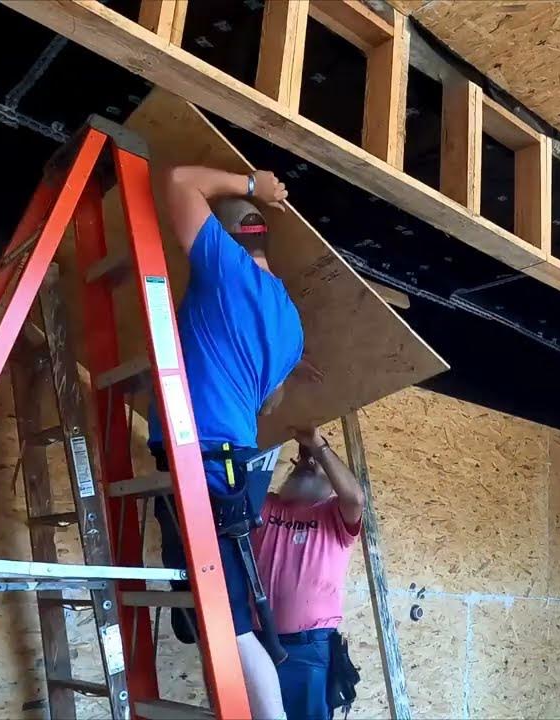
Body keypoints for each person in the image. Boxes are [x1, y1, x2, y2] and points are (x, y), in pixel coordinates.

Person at [148, 164, 302, 719]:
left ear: (229, 239)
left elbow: (178, 182)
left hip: (203, 459)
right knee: (212, 612)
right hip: (230, 461)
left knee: (231, 624)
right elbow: (272, 401)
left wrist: (255, 185)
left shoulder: (226, 270)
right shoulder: (289, 318)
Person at [255, 426, 365, 720]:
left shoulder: (335, 516)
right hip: (259, 644)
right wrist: (278, 428)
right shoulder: (267, 506)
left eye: (315, 465)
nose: (307, 464)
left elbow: (355, 497)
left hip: (308, 650)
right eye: (301, 462)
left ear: (331, 480)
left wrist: (317, 446)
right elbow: (240, 480)